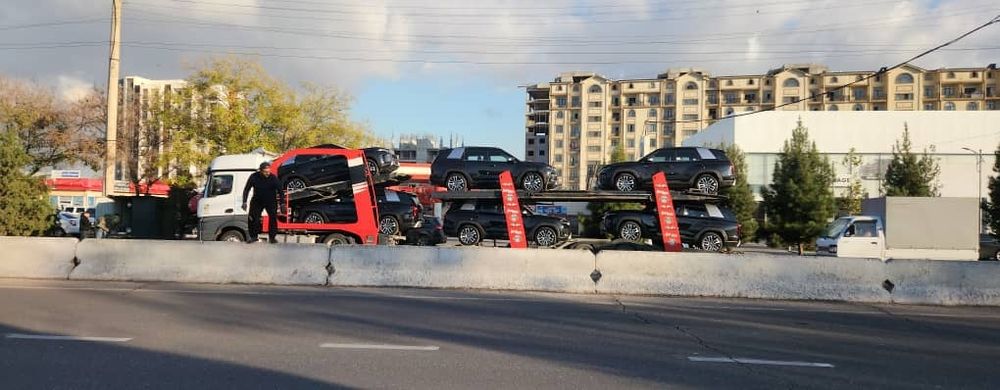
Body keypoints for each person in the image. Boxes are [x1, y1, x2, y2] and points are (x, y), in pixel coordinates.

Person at [242, 161, 283, 244]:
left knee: (273, 218)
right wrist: (244, 202)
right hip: (257, 200)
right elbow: (246, 189)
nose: (267, 173)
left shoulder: (273, 178)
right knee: (253, 218)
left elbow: (280, 191)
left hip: (270, 201)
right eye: (265, 172)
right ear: (260, 171)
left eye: (268, 171)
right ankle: (253, 236)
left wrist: (282, 203)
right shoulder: (254, 177)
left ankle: (272, 237)